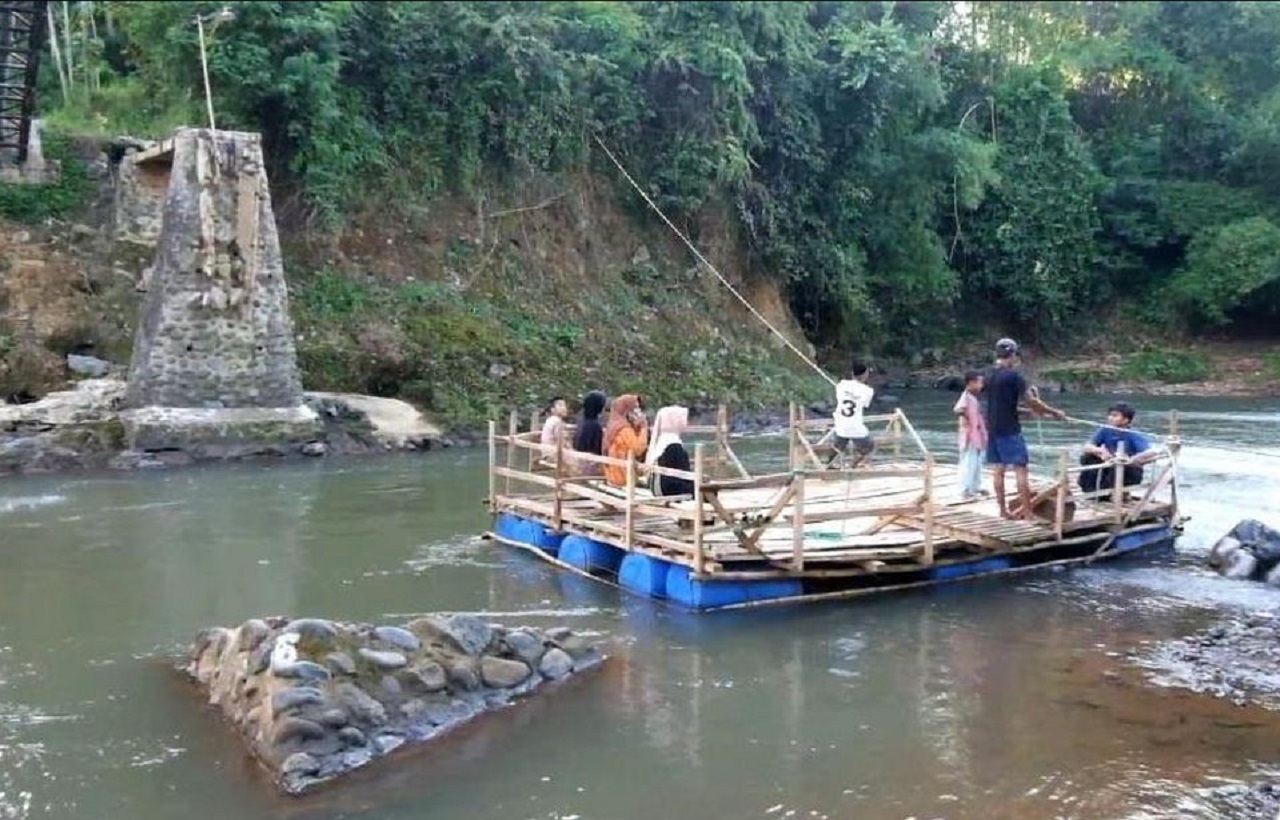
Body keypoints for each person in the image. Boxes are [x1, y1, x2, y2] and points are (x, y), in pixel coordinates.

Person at [983, 338, 1067, 520]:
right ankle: (1028, 513)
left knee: (999, 469)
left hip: (993, 427)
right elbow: (1032, 401)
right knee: (1021, 469)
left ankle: (1002, 510)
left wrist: (1029, 412)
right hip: (1010, 429)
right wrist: (1054, 412)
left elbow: (1002, 404)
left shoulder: (988, 375)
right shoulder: (1014, 377)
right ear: (1013, 355)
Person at [1078, 402, 1159, 496]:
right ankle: (1091, 489)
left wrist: (1131, 460)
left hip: (1128, 471)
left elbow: (1151, 453)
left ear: (1125, 420)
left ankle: (1118, 493)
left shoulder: (1133, 434)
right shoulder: (1105, 430)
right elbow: (1087, 446)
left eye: (1115, 416)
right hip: (1109, 466)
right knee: (1087, 457)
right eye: (1110, 415)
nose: (1110, 418)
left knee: (1118, 465)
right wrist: (1100, 451)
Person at [827, 361, 876, 469]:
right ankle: (852, 465)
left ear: (852, 373)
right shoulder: (868, 391)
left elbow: (840, 394)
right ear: (864, 374)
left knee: (837, 447)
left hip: (841, 424)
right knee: (869, 446)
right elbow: (865, 405)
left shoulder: (841, 385)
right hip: (856, 426)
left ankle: (828, 466)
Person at [953, 369, 988, 499]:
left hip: (976, 434)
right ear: (971, 383)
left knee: (977, 462)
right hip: (969, 435)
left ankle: (975, 487)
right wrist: (968, 419)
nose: (981, 385)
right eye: (980, 383)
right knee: (968, 462)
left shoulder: (973, 398)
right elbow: (958, 409)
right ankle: (965, 489)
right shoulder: (966, 396)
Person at [645, 405, 694, 497]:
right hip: (668, 490)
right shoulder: (673, 444)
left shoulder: (662, 441)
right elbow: (684, 474)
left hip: (658, 488)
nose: (686, 422)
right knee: (706, 489)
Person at [603, 394, 649, 488]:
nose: (638, 412)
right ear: (626, 410)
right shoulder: (624, 429)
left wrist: (637, 427)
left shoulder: (613, 424)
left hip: (612, 476)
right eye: (635, 408)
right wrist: (644, 428)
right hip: (622, 479)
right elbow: (639, 449)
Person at [570, 390, 607, 476]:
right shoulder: (593, 425)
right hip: (589, 463)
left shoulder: (582, 420)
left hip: (579, 460)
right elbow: (597, 449)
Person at [539, 396, 570, 460]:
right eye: (560, 406)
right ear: (552, 409)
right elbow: (561, 442)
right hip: (554, 456)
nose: (564, 408)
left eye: (564, 406)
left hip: (547, 454)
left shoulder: (550, 420)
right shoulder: (557, 422)